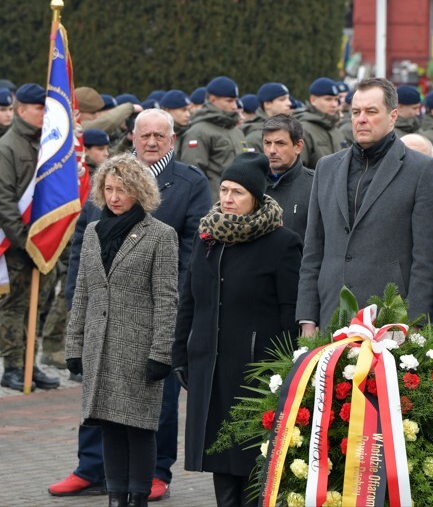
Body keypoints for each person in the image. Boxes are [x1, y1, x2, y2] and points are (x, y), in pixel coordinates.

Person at [50, 108, 212, 501]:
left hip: (153, 316)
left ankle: (155, 474)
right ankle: (92, 469)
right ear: (133, 138)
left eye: (160, 135)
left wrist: (175, 318)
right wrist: (77, 302)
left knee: (154, 406)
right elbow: (82, 252)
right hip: (102, 318)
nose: (152, 141)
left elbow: (193, 252)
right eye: (145, 135)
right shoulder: (108, 179)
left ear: (172, 139)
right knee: (98, 403)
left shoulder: (190, 183)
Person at [172, 152, 301, 507]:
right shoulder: (209, 236)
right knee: (219, 454)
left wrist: (286, 366)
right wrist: (180, 351)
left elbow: (289, 310)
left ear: (256, 197)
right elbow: (190, 299)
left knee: (252, 458)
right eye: (224, 190)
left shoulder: (283, 243)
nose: (227, 198)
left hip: (255, 370)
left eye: (237, 193)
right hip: (210, 366)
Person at [65, 154, 179, 507]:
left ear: (140, 191)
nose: (114, 197)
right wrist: (74, 343)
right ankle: (116, 496)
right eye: (109, 189)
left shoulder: (161, 234)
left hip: (138, 346)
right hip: (100, 344)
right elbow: (83, 289)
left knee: (139, 426)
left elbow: (166, 298)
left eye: (123, 190)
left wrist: (161, 352)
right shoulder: (94, 232)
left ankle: (138, 497)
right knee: (109, 425)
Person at [297, 77, 433, 336]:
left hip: (390, 322)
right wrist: (307, 318)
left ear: (393, 116)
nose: (361, 119)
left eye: (371, 111)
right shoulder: (326, 167)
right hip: (331, 316)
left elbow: (428, 258)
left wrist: (415, 324)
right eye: (355, 112)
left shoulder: (422, 170)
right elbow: (313, 250)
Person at [0, 83, 61, 392]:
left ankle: (29, 364)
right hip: (17, 243)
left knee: (37, 306)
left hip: (43, 242)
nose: (44, 113)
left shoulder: (48, 144)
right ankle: (12, 367)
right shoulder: (7, 147)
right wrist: (24, 242)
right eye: (39, 108)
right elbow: (5, 201)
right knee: (15, 305)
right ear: (22, 110)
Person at [180, 76, 249, 200]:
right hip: (216, 207)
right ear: (212, 99)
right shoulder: (198, 132)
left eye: (235, 100)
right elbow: (192, 177)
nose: (234, 106)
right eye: (229, 101)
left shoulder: (236, 131)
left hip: (242, 205)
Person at [261, 114, 314, 242]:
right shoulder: (251, 183)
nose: (272, 150)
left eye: (280, 143)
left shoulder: (316, 185)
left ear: (298, 146)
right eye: (267, 143)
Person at [296, 77, 347, 169]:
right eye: (328, 99)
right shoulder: (303, 129)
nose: (334, 104)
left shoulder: (336, 130)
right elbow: (299, 171)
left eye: (336, 100)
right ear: (313, 100)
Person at [242, 82, 291, 154]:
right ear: (267, 104)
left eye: (288, 98)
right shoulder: (254, 138)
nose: (289, 103)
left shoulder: (290, 127)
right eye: (282, 99)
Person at [159, 89, 193, 155]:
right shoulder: (155, 134)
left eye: (189, 110)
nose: (188, 114)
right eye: (183, 110)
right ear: (167, 110)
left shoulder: (191, 132)